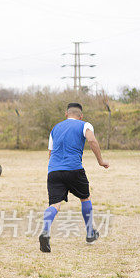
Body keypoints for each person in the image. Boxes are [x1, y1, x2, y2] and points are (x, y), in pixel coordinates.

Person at [39, 102, 109, 253]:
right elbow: (91, 140)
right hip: (74, 169)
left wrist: (54, 169)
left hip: (54, 170)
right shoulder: (84, 125)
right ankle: (90, 233)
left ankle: (45, 231)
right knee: (85, 197)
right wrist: (101, 161)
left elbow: (50, 153)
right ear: (81, 116)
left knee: (55, 204)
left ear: (66, 114)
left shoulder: (55, 128)